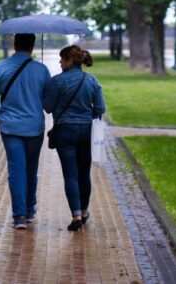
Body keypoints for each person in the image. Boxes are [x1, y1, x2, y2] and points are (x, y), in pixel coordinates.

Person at [0, 33, 51, 229]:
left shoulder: (0, 67)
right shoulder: (41, 70)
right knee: (31, 169)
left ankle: (19, 216)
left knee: (16, 170)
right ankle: (30, 209)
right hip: (34, 127)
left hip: (10, 127)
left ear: (15, 45)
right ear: (32, 47)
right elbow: (48, 103)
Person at [43, 45, 105, 231]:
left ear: (70, 61)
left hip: (65, 131)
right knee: (84, 173)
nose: (60, 63)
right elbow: (100, 108)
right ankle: (85, 211)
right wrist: (87, 114)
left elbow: (48, 107)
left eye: (62, 59)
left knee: (70, 174)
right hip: (86, 130)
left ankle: (76, 215)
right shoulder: (92, 81)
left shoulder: (56, 81)